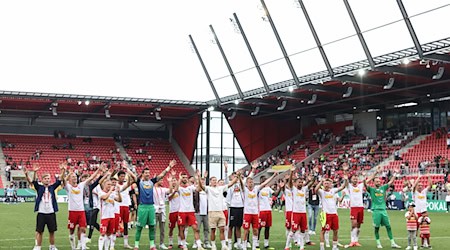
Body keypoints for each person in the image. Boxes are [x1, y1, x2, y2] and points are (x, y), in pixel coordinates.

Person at [133, 159, 176, 250]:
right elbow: (133, 176)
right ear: (143, 174)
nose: (148, 174)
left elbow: (161, 175)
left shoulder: (152, 182)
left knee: (152, 226)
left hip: (151, 207)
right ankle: (136, 245)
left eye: (149, 173)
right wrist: (127, 169)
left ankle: (152, 245)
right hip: (142, 207)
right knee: (139, 227)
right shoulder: (139, 182)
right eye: (146, 173)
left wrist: (169, 167)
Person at [24, 163, 65, 250]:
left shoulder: (52, 187)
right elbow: (34, 181)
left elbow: (60, 180)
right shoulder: (39, 188)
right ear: (42, 180)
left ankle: (52, 246)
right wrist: (35, 172)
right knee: (40, 232)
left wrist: (63, 170)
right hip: (41, 213)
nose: (47, 180)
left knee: (52, 231)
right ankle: (38, 247)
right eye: (45, 179)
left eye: (48, 178)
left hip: (51, 213)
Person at [64, 166, 101, 250]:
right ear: (69, 179)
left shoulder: (81, 185)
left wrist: (98, 170)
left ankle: (82, 246)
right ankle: (73, 247)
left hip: (81, 211)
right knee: (72, 231)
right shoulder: (68, 187)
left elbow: (91, 177)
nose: (74, 178)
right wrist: (67, 173)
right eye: (72, 177)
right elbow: (62, 180)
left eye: (75, 177)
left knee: (83, 229)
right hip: (72, 212)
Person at [364, 167, 401, 249]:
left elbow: (391, 182)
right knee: (376, 228)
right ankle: (378, 243)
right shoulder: (371, 190)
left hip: (383, 210)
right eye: (377, 181)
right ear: (373, 182)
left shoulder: (383, 188)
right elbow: (365, 184)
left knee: (388, 226)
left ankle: (393, 243)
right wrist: (373, 174)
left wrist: (395, 174)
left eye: (379, 181)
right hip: (376, 211)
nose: (378, 182)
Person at [240, 171, 278, 250]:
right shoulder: (245, 190)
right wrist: (239, 178)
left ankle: (254, 246)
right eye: (250, 182)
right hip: (247, 213)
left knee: (255, 230)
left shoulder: (256, 189)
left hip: (255, 213)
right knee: (246, 231)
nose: (251, 183)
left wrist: (273, 175)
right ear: (247, 183)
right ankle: (244, 246)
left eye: (252, 182)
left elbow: (265, 183)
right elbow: (241, 184)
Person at [205, 169, 239, 250]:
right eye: (213, 180)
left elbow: (231, 183)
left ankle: (223, 245)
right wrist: (200, 177)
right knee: (213, 230)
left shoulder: (220, 188)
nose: (215, 181)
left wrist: (237, 176)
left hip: (220, 211)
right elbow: (200, 186)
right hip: (212, 211)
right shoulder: (208, 189)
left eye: (215, 180)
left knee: (222, 229)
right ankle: (213, 245)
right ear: (210, 182)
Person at [226, 163, 256, 250]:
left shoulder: (242, 183)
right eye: (234, 176)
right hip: (232, 207)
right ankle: (229, 244)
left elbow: (249, 177)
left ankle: (239, 243)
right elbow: (227, 181)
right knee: (231, 226)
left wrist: (253, 169)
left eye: (237, 175)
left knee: (239, 226)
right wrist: (226, 170)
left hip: (241, 207)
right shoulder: (230, 184)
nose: (236, 177)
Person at [315, 172, 348, 250]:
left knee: (335, 231)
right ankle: (322, 247)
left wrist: (346, 180)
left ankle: (334, 246)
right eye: (325, 183)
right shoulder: (321, 192)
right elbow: (316, 189)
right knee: (323, 231)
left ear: (331, 184)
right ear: (323, 184)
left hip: (334, 214)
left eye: (328, 183)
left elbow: (343, 187)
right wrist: (321, 182)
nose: (326, 184)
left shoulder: (333, 191)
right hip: (326, 214)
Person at [175, 170, 206, 250]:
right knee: (182, 229)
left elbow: (199, 189)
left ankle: (199, 245)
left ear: (188, 180)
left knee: (195, 228)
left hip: (190, 211)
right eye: (183, 177)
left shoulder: (190, 188)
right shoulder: (180, 188)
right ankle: (184, 245)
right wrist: (179, 179)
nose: (184, 179)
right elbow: (175, 189)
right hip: (182, 211)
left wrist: (198, 177)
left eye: (185, 177)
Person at [285, 167, 314, 250]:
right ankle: (287, 246)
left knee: (303, 230)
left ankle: (301, 246)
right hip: (296, 213)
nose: (300, 183)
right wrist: (291, 173)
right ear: (295, 183)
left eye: (301, 182)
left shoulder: (304, 189)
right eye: (299, 182)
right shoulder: (293, 189)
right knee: (293, 230)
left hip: (303, 213)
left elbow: (311, 184)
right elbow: (290, 182)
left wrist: (313, 178)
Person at [98, 178, 122, 250]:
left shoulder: (112, 194)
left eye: (111, 185)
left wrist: (119, 192)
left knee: (109, 234)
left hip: (112, 216)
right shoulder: (101, 192)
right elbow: (105, 198)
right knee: (102, 234)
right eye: (108, 184)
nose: (110, 186)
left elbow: (119, 200)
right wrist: (111, 190)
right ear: (104, 185)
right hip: (104, 217)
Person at [117, 167, 139, 249]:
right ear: (118, 177)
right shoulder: (115, 184)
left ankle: (126, 243)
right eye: (121, 176)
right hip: (117, 206)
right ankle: (111, 243)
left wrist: (129, 171)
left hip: (126, 206)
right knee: (116, 225)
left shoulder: (127, 184)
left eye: (123, 176)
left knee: (126, 224)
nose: (122, 178)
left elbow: (134, 179)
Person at [257, 174, 280, 249]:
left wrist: (280, 188)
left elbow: (275, 194)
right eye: (263, 180)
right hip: (262, 210)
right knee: (259, 227)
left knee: (267, 227)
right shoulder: (258, 189)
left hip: (268, 210)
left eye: (265, 180)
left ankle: (266, 244)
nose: (264, 181)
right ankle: (256, 243)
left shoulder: (268, 188)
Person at [344, 174, 365, 247]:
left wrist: (376, 173)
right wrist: (346, 179)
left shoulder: (360, 186)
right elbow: (346, 184)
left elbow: (368, 180)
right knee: (354, 224)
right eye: (354, 179)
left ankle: (356, 240)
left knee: (358, 225)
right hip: (353, 207)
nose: (355, 180)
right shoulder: (349, 186)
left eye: (356, 179)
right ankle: (352, 240)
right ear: (351, 180)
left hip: (361, 207)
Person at [194, 175, 211, 249]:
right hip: (198, 212)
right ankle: (196, 242)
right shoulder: (196, 191)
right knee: (197, 228)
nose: (202, 182)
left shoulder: (208, 190)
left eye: (203, 181)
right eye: (201, 181)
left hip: (206, 213)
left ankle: (206, 242)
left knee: (206, 228)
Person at [153, 178, 170, 250]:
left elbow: (171, 190)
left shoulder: (163, 189)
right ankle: (153, 243)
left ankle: (161, 243)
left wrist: (170, 182)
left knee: (162, 228)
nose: (162, 181)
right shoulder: (152, 189)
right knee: (153, 228)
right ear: (157, 181)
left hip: (162, 210)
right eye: (161, 180)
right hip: (154, 209)